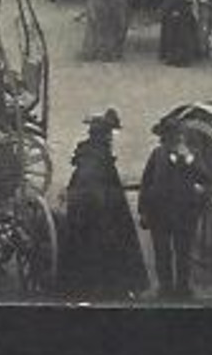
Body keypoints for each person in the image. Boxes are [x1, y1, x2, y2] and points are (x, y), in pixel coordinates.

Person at [61, 109, 149, 301]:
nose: (111, 139)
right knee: (102, 250)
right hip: (100, 219)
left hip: (88, 215)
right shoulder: (100, 161)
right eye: (109, 135)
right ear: (104, 136)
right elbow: (100, 194)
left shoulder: (89, 158)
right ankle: (107, 289)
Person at [137, 117, 209, 300]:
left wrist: (190, 159)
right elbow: (146, 183)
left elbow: (205, 178)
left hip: (184, 213)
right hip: (158, 212)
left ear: (182, 138)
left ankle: (183, 288)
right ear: (164, 138)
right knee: (162, 253)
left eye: (178, 136)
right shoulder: (157, 155)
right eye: (169, 137)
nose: (175, 140)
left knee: (183, 252)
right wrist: (143, 211)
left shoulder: (193, 156)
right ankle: (165, 288)